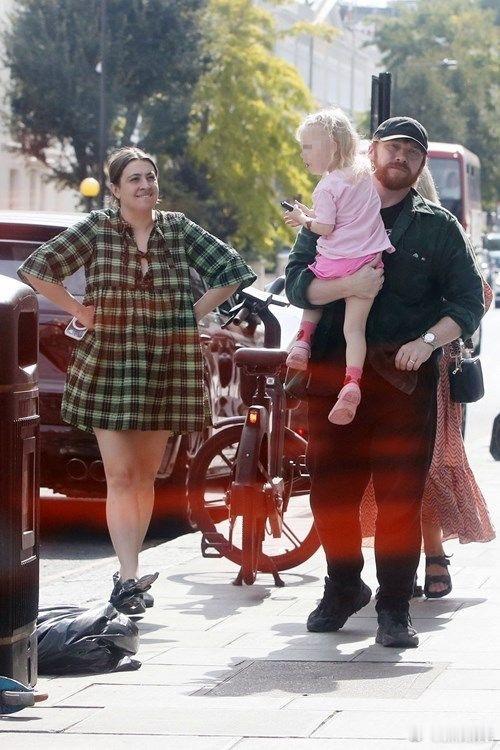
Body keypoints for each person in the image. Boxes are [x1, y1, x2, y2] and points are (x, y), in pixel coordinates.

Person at [18, 146, 256, 616]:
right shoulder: (97, 229)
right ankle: (127, 577)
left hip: (168, 363)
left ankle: (131, 574)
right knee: (120, 475)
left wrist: (191, 314)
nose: (145, 185)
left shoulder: (178, 229)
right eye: (134, 178)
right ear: (115, 189)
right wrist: (79, 309)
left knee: (145, 477)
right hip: (110, 362)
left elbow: (232, 271)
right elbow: (36, 269)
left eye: (150, 176)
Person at [285, 116, 485, 647]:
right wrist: (347, 284)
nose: (401, 157)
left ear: (420, 165)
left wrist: (429, 341)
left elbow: (468, 302)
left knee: (400, 498)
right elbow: (297, 283)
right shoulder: (334, 202)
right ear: (371, 151)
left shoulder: (437, 226)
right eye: (393, 147)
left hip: (403, 382)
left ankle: (395, 606)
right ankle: (343, 587)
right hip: (334, 377)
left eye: (412, 152)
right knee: (330, 493)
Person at [284, 109, 393, 425]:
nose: (303, 154)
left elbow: (326, 227)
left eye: (308, 147)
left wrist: (303, 219)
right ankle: (352, 382)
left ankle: (303, 341)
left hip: (335, 262)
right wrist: (312, 213)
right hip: (369, 261)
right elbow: (344, 216)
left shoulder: (326, 186)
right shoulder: (363, 173)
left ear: (331, 146)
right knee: (354, 330)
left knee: (313, 287)